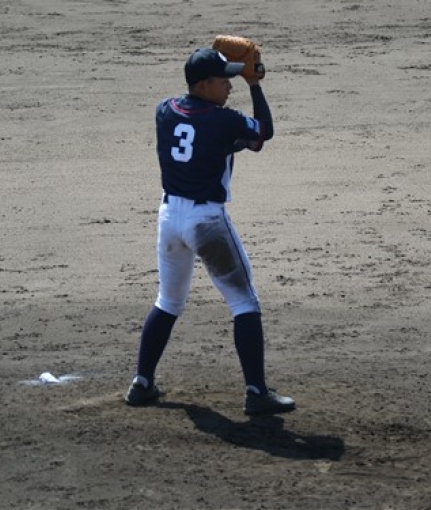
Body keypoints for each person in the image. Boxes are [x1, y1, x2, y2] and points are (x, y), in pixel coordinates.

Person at [125, 47, 295, 416]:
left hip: (169, 219)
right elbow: (263, 132)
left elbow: (209, 139)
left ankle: (142, 382)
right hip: (206, 223)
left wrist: (234, 141)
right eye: (224, 80)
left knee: (168, 302)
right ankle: (256, 392)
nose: (230, 86)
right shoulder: (223, 120)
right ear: (203, 86)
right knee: (245, 303)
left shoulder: (165, 110)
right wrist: (255, 86)